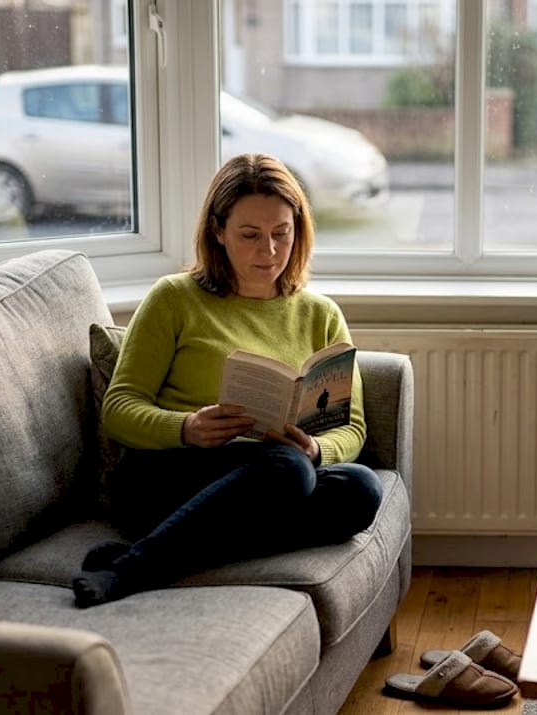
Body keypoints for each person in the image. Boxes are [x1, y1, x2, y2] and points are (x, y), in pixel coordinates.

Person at [73, 153, 382, 608]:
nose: (270, 251)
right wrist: (188, 427)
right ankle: (129, 572)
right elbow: (119, 408)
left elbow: (351, 426)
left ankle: (146, 553)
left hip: (272, 476)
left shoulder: (321, 315)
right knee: (289, 472)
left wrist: (318, 450)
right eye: (250, 235)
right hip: (170, 473)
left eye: (282, 233)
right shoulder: (174, 299)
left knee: (360, 489)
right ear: (218, 232)